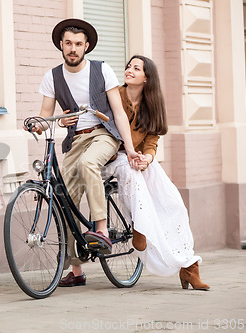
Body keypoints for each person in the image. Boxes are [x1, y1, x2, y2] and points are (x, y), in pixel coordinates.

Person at [63, 55, 209, 290]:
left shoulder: (152, 105)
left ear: (146, 78)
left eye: (136, 68)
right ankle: (140, 227)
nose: (129, 70)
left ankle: (189, 266)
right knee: (129, 172)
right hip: (110, 155)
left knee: (169, 196)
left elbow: (152, 141)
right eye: (128, 66)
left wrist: (147, 159)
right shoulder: (114, 94)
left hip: (135, 157)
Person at [31, 18, 139, 287]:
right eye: (68, 43)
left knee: (89, 163)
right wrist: (51, 122)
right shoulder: (52, 77)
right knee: (63, 199)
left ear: (86, 46)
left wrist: (130, 148)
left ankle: (100, 228)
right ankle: (76, 270)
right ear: (61, 45)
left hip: (103, 135)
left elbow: (119, 113)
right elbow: (44, 119)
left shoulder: (102, 70)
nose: (73, 48)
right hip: (75, 142)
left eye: (78, 44)